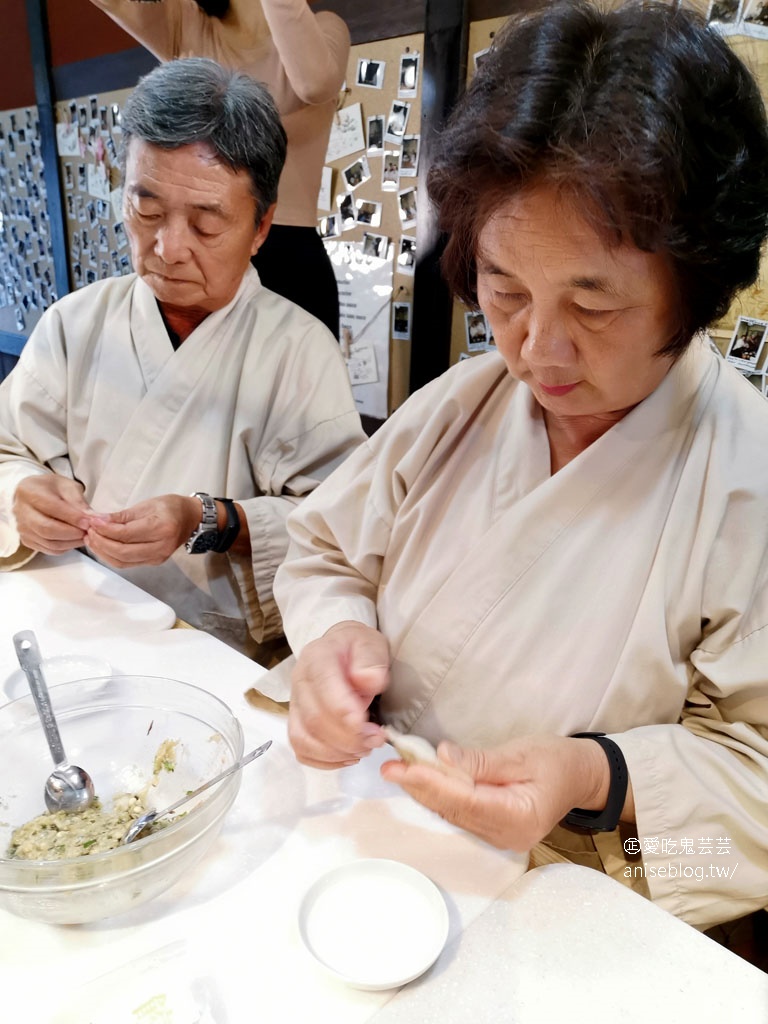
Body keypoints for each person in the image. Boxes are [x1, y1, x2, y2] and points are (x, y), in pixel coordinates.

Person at [273, 1, 768, 931]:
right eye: (503, 290)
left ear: (694, 289)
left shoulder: (749, 474)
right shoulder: (460, 404)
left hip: (583, 891)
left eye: (595, 304)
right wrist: (335, 640)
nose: (537, 349)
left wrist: (595, 777)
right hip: (374, 846)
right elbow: (326, 553)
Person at [0, 58, 364, 664]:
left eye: (205, 223)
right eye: (146, 212)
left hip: (208, 651)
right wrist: (22, 494)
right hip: (70, 617)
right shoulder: (74, 323)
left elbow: (339, 528)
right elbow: (5, 449)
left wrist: (210, 520)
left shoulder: (299, 352)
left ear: (261, 226)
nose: (168, 248)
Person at [88, 0, 349, 337]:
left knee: (301, 380)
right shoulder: (186, 23)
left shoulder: (325, 27)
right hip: (196, 248)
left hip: (290, 257)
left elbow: (314, 84)